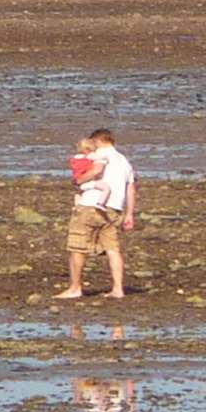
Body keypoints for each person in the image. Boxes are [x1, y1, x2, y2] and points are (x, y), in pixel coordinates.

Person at [58, 128, 137, 300]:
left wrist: (78, 180)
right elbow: (130, 188)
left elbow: (94, 171)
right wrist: (129, 214)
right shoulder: (124, 161)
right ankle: (117, 288)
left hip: (91, 206)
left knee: (78, 247)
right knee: (112, 249)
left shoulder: (98, 155)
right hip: (114, 209)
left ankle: (75, 287)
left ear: (98, 141)